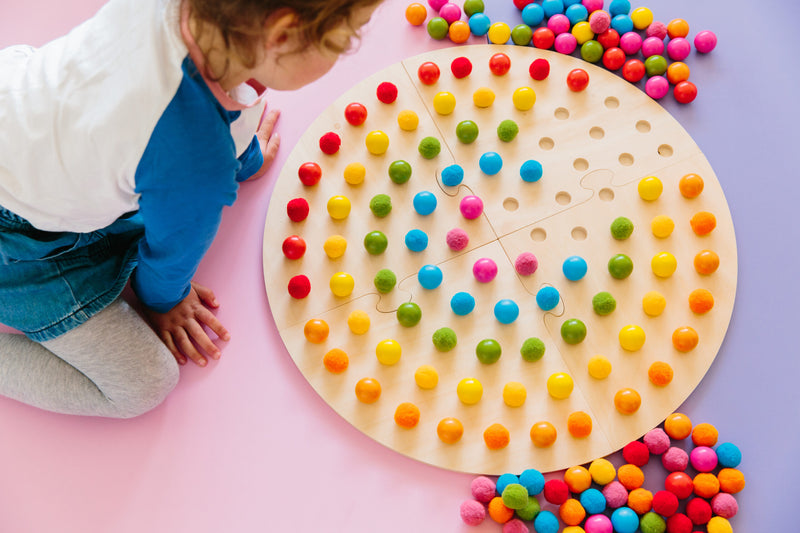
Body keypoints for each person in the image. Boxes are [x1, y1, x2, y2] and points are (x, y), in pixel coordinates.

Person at [0, 0, 381, 418]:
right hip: (20, 246)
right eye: (348, 36)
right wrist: (164, 301)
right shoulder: (196, 162)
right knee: (142, 383)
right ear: (282, 35)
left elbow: (216, 101)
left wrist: (243, 157)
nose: (350, 47)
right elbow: (171, 254)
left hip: (21, 108)